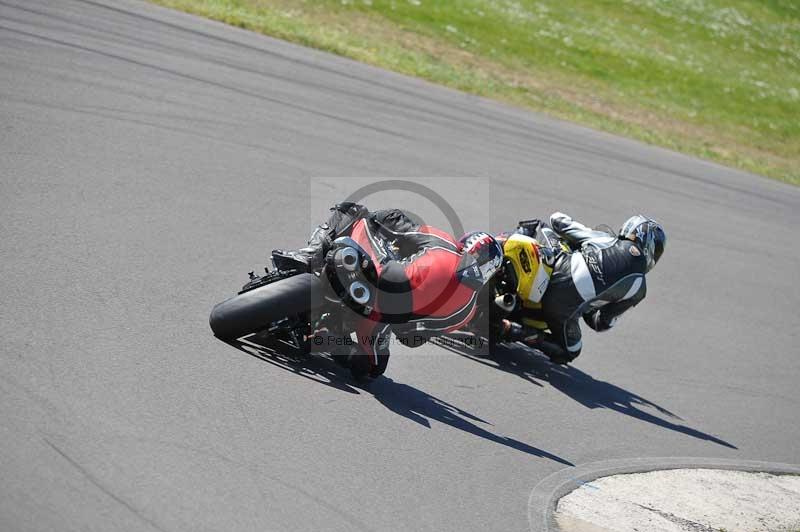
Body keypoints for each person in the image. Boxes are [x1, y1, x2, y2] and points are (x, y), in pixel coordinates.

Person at [272, 202, 503, 379]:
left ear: (465, 244)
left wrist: (383, 226)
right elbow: (411, 339)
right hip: (378, 319)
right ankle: (331, 340)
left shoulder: (445, 243)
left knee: (353, 211)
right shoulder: (466, 311)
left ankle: (310, 254)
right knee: (373, 369)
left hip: (375, 273)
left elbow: (391, 220)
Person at [495, 212, 666, 364]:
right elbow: (600, 323)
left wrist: (578, 241)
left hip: (555, 270)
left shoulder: (604, 238)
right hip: (562, 310)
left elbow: (557, 220)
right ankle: (511, 330)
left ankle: (498, 256)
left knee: (542, 227)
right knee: (571, 350)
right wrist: (592, 302)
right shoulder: (639, 290)